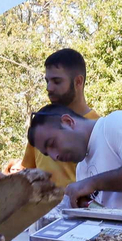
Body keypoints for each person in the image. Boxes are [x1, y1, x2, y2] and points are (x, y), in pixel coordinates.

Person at [28, 107, 122, 215]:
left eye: (52, 144)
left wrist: (91, 183)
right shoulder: (82, 168)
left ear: (68, 122)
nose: (55, 157)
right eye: (47, 154)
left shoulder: (115, 123)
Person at [21, 48, 99, 190]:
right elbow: (27, 173)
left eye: (56, 81)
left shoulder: (99, 127)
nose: (49, 88)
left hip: (84, 210)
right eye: (47, 81)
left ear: (78, 82)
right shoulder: (42, 126)